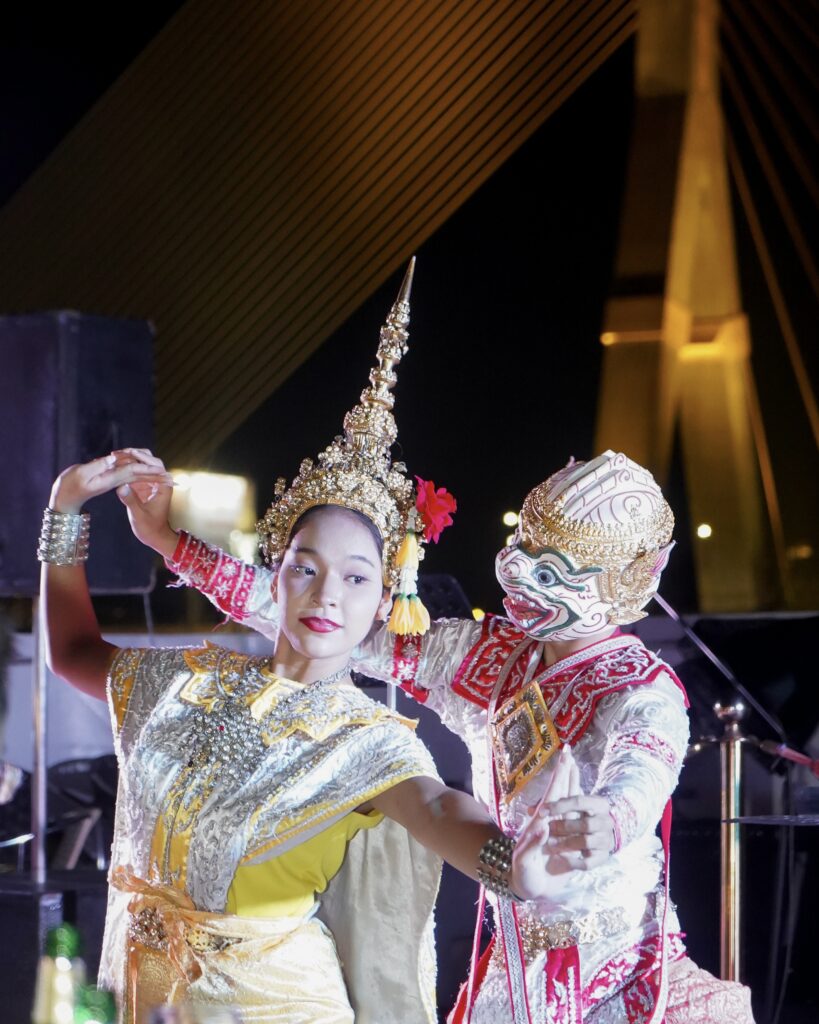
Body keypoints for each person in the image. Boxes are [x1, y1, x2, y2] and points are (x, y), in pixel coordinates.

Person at [38, 266, 560, 1024]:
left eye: (355, 579)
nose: (326, 596)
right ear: (272, 576)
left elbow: (440, 809)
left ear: (387, 598)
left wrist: (515, 864)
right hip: (139, 994)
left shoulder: (370, 743)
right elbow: (73, 652)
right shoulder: (182, 682)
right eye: (305, 569)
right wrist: (65, 508)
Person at [152, 448, 757, 1023]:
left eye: (550, 569)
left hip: (616, 967)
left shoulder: (640, 689)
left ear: (625, 583)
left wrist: (611, 819)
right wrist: (169, 542)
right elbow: (326, 618)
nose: (518, 574)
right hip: (515, 955)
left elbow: (641, 773)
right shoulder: (489, 653)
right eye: (522, 544)